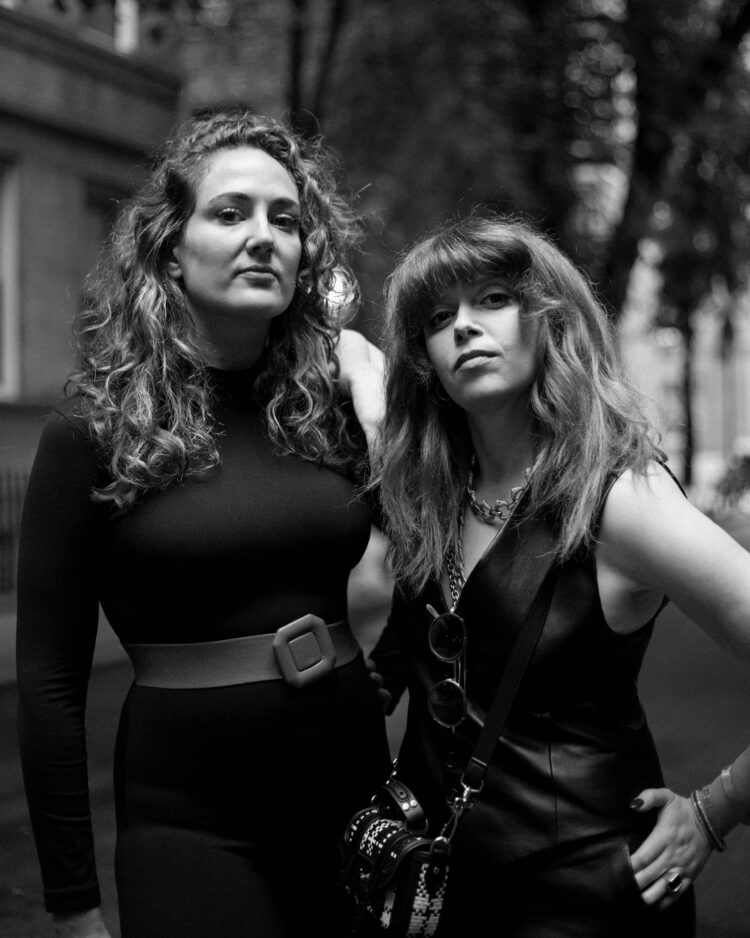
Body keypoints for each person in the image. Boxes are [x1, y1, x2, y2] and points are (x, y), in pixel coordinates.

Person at [16, 108, 391, 938]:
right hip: (191, 826)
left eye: (285, 219)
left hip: (355, 799)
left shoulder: (337, 410)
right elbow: (48, 687)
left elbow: (447, 573)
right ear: (170, 250)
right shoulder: (92, 431)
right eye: (230, 213)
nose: (264, 236)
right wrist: (73, 904)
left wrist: (377, 402)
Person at [368, 211, 750, 937]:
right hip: (440, 894)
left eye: (493, 300)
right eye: (439, 317)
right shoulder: (432, 495)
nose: (464, 328)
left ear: (550, 319)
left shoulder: (622, 499)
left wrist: (716, 808)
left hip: (585, 899)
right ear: (424, 359)